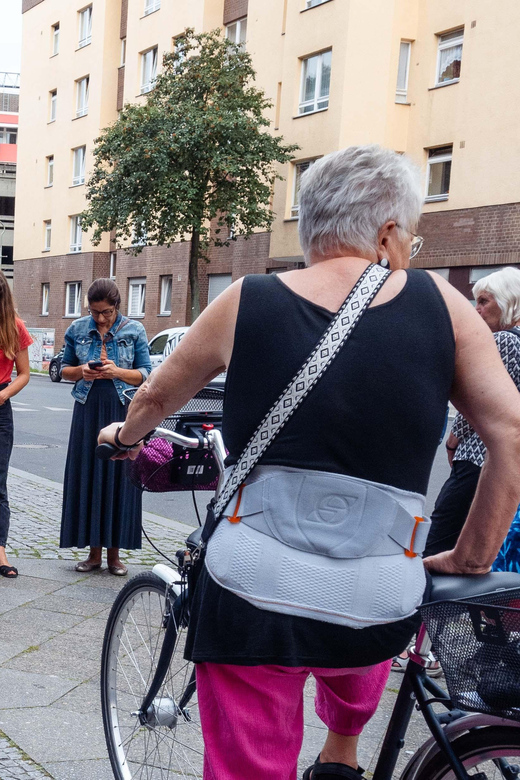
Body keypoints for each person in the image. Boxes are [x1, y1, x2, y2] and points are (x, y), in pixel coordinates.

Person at [98, 146, 520, 780]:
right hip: (377, 589)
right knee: (364, 619)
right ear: (385, 233)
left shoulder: (248, 298)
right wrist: (471, 558)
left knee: (249, 751)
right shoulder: (446, 308)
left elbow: (158, 395)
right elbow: (511, 433)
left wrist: (127, 436)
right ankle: (342, 750)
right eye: (411, 236)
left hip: (255, 585)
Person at [424, 267, 520, 559]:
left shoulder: (503, 341)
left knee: (438, 543)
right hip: (503, 463)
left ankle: (435, 605)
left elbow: (481, 404)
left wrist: (453, 438)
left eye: (484, 302)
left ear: (508, 302)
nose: (476, 310)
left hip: (478, 458)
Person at [60, 278, 151, 575]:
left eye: (106, 312)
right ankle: (93, 554)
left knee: (120, 476)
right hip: (87, 409)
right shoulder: (77, 329)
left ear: (117, 307)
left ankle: (115, 556)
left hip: (123, 409)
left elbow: (146, 375)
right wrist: (82, 371)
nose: (100, 318)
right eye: (94, 311)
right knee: (89, 474)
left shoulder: (134, 330)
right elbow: (64, 370)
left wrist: (117, 371)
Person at [0, 272, 32, 579]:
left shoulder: (13, 327)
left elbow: (24, 372)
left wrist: (4, 393)